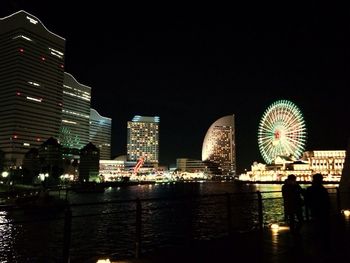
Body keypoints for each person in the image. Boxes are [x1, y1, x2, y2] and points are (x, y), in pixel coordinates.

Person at [305, 173, 330, 239]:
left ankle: (317, 235)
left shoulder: (310, 188)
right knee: (322, 222)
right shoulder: (322, 189)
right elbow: (326, 199)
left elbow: (307, 198)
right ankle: (323, 235)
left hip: (314, 207)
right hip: (323, 208)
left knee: (316, 220)